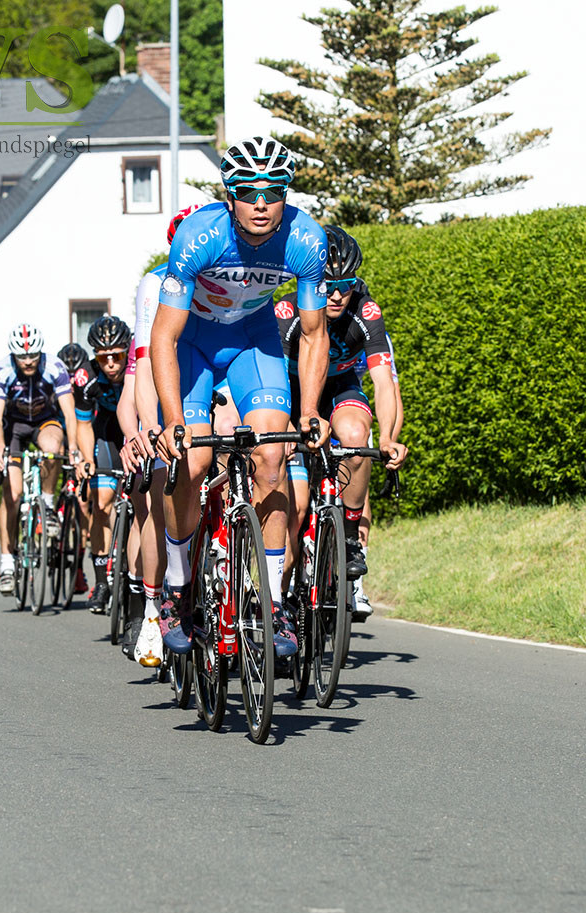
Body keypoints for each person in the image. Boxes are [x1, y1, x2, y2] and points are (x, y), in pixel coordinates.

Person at [150, 137, 331, 658]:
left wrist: (311, 411)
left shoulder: (306, 240)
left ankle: (273, 605)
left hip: (253, 343)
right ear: (229, 196)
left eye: (272, 192)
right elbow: (163, 337)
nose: (259, 202)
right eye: (247, 191)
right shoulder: (197, 235)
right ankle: (177, 588)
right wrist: (170, 420)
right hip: (193, 345)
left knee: (272, 455)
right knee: (193, 456)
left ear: (285, 196)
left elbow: (315, 334)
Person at [275, 226, 407, 591]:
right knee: (298, 505)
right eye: (326, 285)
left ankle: (349, 537)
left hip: (341, 389)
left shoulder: (366, 310)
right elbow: (273, 379)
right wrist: (286, 427)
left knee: (353, 436)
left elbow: (384, 382)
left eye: (345, 285)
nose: (335, 295)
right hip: (293, 392)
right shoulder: (288, 311)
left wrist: (387, 436)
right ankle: (279, 587)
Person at [118, 205, 204, 667]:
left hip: (207, 384)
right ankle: (155, 607)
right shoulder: (157, 284)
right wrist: (147, 427)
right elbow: (145, 363)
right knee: (157, 488)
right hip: (163, 385)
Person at [0, 324, 80, 594]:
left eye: (33, 356)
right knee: (13, 494)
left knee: (53, 447)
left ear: (41, 352)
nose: (28, 361)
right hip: (13, 426)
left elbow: (70, 412)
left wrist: (73, 446)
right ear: (13, 356)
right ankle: (7, 563)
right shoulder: (3, 370)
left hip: (45, 421)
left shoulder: (54, 367)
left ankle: (48, 507)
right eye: (22, 357)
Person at [74, 316, 140, 616]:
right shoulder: (85, 377)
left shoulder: (139, 367)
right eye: (103, 357)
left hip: (137, 429)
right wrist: (87, 460)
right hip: (106, 434)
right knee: (100, 503)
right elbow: (83, 424)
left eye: (117, 355)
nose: (111, 363)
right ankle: (101, 581)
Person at [57, 342, 92, 595]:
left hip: (80, 441)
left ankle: (78, 566)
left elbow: (85, 426)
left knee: (82, 502)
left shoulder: (85, 389)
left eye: (74, 376)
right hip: (58, 440)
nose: (71, 382)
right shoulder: (54, 389)